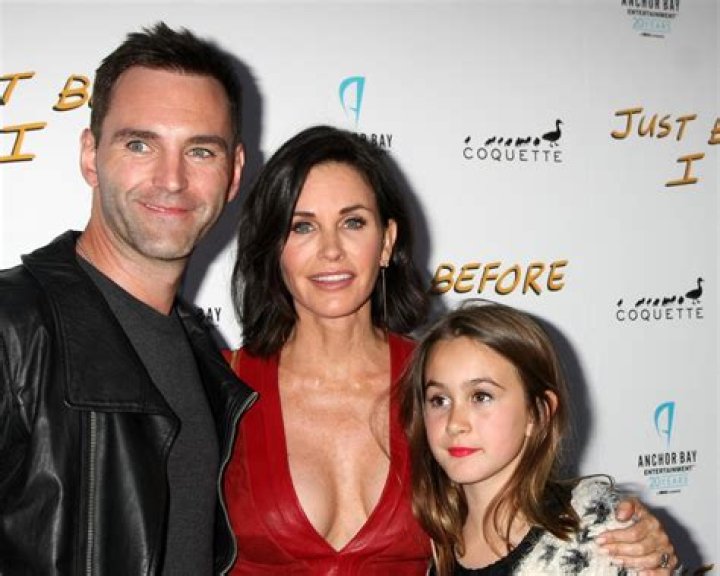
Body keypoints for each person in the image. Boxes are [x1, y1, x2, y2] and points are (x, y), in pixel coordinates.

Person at [224, 125, 675, 575]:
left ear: (386, 241)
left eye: (353, 222)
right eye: (302, 226)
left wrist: (613, 527)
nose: (331, 250)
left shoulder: (437, 382)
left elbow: (522, 499)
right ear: (274, 247)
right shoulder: (220, 385)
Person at [0, 23, 255, 575]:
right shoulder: (10, 330)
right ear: (90, 155)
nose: (172, 179)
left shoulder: (208, 361)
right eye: (140, 144)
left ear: (233, 174)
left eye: (200, 151)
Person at [400, 302, 678, 575]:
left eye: (481, 396)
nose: (455, 424)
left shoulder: (603, 539)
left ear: (538, 412)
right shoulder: (434, 541)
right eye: (439, 400)